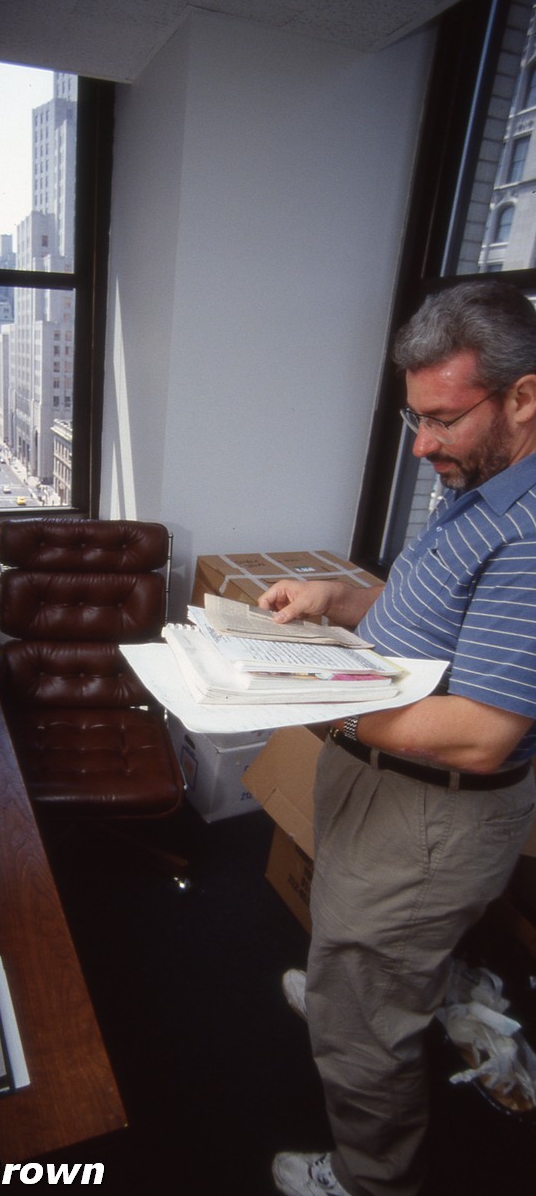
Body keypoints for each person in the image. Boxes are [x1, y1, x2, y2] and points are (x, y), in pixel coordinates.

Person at [258, 279, 536, 1196]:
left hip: (431, 811)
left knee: (366, 1028)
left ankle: (371, 1178)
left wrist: (300, 694)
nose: (421, 446)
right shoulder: (482, 478)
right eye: (415, 418)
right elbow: (432, 623)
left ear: (524, 397)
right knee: (350, 944)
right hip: (381, 779)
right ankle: (348, 988)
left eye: (442, 420)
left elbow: (482, 734)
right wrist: (340, 601)